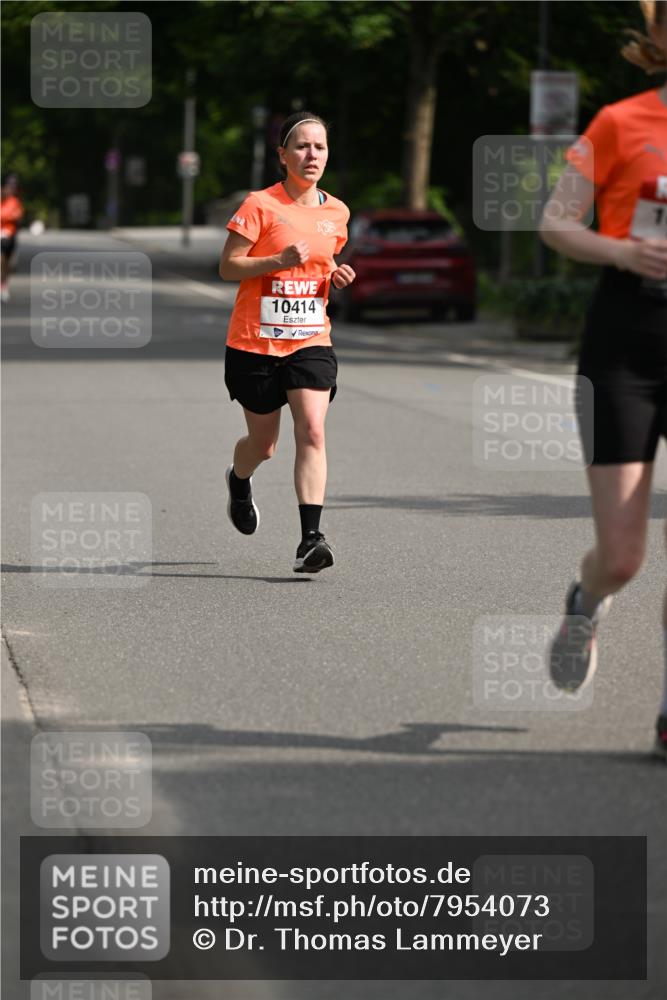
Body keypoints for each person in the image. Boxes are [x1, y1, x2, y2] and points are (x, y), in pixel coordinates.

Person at [540, 0, 667, 757]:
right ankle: (586, 602)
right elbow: (556, 221)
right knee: (622, 556)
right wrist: (620, 253)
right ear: (658, 35)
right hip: (626, 345)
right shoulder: (619, 123)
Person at [219, 112, 356, 573]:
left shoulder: (336, 212)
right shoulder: (259, 205)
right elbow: (229, 266)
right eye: (301, 146)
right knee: (264, 445)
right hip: (254, 343)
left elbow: (324, 260)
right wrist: (276, 259)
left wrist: (335, 274)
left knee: (313, 431)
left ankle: (310, 540)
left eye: (319, 147)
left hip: (309, 339)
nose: (311, 154)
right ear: (283, 155)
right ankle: (239, 481)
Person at [0, 173, 23, 303]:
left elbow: (17, 216)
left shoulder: (14, 202)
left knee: (8, 264)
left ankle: (4, 284)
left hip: (10, 236)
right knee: (1, 260)